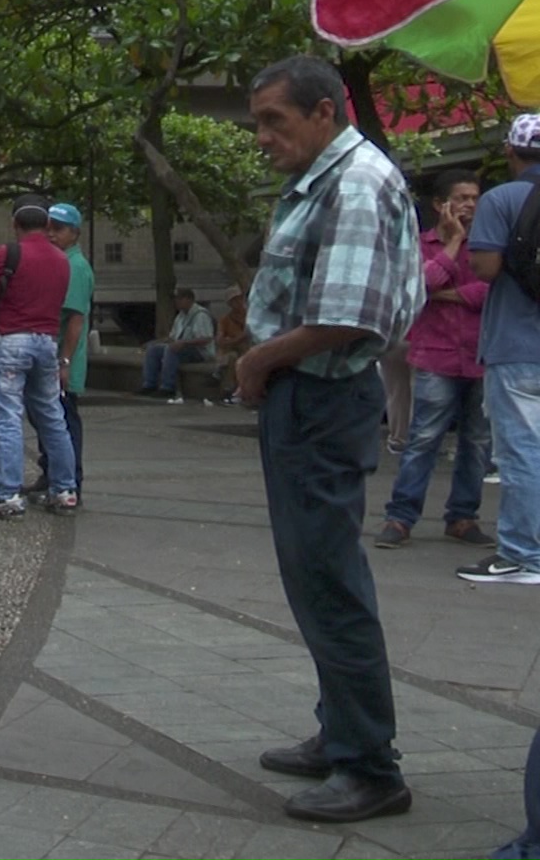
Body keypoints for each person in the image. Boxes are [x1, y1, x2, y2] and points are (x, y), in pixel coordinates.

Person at [234, 55, 421, 823]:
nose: (262, 138)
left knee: (331, 579)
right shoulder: (322, 178)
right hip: (305, 400)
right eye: (257, 124)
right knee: (312, 574)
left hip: (323, 398)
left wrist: (258, 358)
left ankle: (369, 765)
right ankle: (340, 730)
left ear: (324, 112)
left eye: (275, 121)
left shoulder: (355, 183)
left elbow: (349, 318)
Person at [375, 171, 494, 550]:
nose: (470, 205)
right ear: (441, 205)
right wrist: (454, 243)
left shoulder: (489, 244)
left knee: (476, 441)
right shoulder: (422, 244)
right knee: (423, 438)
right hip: (434, 355)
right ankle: (401, 516)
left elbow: (487, 292)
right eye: (461, 198)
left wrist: (443, 295)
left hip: (479, 354)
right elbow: (420, 284)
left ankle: (463, 516)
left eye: (475, 198)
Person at [457, 113, 540, 585]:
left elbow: (485, 269)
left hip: (516, 343)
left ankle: (522, 555)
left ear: (510, 151)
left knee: (522, 452)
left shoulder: (501, 199)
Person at [0, 194, 77, 519]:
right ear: (47, 225)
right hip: (46, 343)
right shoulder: (61, 260)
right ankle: (65, 490)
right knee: (53, 418)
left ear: (15, 224)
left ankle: (8, 494)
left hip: (12, 342)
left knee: (7, 416)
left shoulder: (8, 253)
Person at [32, 202, 93, 510]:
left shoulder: (75, 267)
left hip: (62, 359)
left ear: (74, 233)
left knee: (65, 420)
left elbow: (75, 319)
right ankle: (50, 473)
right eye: (49, 228)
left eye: (59, 229)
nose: (51, 234)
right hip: (50, 355)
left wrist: (64, 361)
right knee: (46, 418)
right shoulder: (58, 262)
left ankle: (71, 483)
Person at [139, 288, 215, 402]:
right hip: (183, 348)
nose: (176, 302)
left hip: (200, 352)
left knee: (171, 350)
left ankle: (168, 387)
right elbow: (173, 337)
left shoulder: (200, 315)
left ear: (188, 299)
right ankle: (149, 384)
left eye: (179, 299)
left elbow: (206, 338)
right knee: (153, 350)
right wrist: (155, 342)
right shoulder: (180, 316)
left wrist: (184, 342)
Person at [212, 287, 251, 399]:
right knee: (231, 358)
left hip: (247, 348)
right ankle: (228, 389)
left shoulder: (249, 316)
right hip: (231, 350)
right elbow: (220, 338)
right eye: (234, 300)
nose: (237, 303)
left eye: (239, 299)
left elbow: (247, 334)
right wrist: (227, 340)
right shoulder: (225, 320)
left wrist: (232, 340)